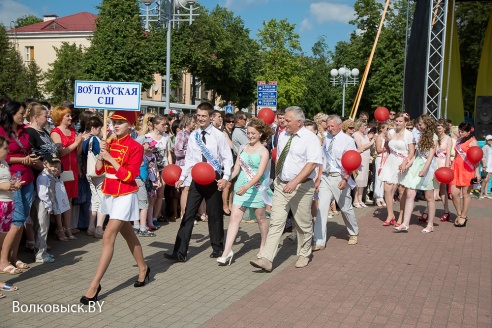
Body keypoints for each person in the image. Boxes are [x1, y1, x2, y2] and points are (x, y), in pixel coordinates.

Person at [80, 111, 149, 305]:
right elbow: (100, 171)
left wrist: (109, 158)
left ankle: (94, 285)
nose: (115, 125)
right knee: (129, 235)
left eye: (120, 122)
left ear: (130, 125)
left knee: (108, 235)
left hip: (126, 194)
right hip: (109, 192)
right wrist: (101, 156)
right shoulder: (108, 142)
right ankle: (143, 268)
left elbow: (129, 175)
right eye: (113, 122)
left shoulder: (136, 146)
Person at [250, 106, 322, 272]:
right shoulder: (283, 135)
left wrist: (295, 181)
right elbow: (279, 158)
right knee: (276, 222)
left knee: (302, 222)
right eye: (283, 120)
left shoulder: (310, 139)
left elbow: (311, 164)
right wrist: (277, 178)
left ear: (299, 121)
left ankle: (304, 253)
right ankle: (267, 259)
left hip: (302, 187)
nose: (284, 123)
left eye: (288, 120)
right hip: (282, 185)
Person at [164, 102, 233, 262]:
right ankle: (180, 252)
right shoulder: (194, 135)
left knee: (215, 214)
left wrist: (225, 177)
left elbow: (227, 158)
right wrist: (182, 177)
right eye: (198, 116)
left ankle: (217, 248)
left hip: (213, 178)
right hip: (196, 177)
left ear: (210, 117)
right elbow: (189, 159)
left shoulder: (218, 135)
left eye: (203, 116)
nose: (200, 119)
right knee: (188, 214)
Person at [217, 118, 273, 265]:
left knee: (260, 218)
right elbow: (236, 169)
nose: (250, 136)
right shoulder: (242, 148)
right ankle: (227, 251)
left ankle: (263, 245)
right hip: (240, 187)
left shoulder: (264, 151)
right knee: (234, 219)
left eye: (253, 133)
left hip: (255, 188)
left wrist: (247, 186)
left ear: (260, 134)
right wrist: (227, 179)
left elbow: (260, 173)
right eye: (248, 133)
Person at [0, 101, 39, 274]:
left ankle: (14, 257)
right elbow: (3, 156)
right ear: (11, 113)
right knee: (15, 221)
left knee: (21, 220)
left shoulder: (24, 131)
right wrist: (21, 160)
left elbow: (26, 150)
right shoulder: (2, 131)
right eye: (21, 113)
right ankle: (3, 260)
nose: (23, 115)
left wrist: (30, 159)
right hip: (10, 179)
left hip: (27, 178)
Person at [313, 115, 359, 251]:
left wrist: (346, 178)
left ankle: (353, 232)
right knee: (321, 208)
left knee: (345, 207)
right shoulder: (326, 138)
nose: (330, 128)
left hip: (340, 177)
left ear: (340, 126)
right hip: (325, 177)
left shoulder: (348, 140)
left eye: (332, 126)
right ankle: (319, 240)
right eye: (328, 126)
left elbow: (353, 160)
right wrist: (318, 177)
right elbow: (322, 158)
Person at [396, 115, 439, 233]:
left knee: (429, 197)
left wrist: (424, 170)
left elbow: (430, 156)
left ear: (427, 124)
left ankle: (430, 224)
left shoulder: (433, 136)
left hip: (427, 167)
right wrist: (407, 165)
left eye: (421, 124)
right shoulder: (417, 136)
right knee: (410, 193)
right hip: (416, 166)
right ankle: (405, 223)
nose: (418, 126)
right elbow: (416, 155)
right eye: (418, 124)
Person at [50, 106, 83, 240]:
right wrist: (76, 143)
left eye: (70, 115)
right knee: (60, 198)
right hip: (62, 168)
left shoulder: (72, 131)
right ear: (60, 117)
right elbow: (61, 152)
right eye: (67, 116)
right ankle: (59, 228)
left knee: (69, 199)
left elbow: (78, 152)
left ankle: (67, 227)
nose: (70, 118)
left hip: (73, 168)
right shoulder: (55, 132)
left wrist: (80, 142)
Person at [379, 113, 415, 226]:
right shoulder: (391, 132)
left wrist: (405, 163)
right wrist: (385, 141)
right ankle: (390, 214)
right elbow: (386, 146)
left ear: (405, 122)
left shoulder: (409, 134)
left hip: (402, 162)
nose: (398, 123)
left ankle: (401, 216)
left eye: (400, 121)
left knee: (401, 190)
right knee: (387, 188)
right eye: (397, 121)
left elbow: (412, 152)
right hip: (391, 161)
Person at [35, 153, 70, 262]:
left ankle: (43, 251)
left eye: (56, 166)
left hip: (48, 205)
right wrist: (49, 206)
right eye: (52, 165)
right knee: (42, 228)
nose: (54, 168)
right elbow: (43, 194)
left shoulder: (50, 176)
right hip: (44, 205)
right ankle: (40, 255)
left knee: (44, 227)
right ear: (45, 164)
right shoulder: (43, 177)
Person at [0, 135, 22, 295]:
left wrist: (13, 184)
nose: (8, 151)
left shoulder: (4, 163)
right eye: (5, 149)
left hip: (8, 204)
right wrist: (4, 185)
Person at [449, 122, 481, 227]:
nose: (460, 133)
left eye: (462, 131)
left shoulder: (473, 142)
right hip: (456, 168)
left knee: (466, 194)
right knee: (454, 193)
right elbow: (457, 155)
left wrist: (477, 172)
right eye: (459, 130)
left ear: (468, 132)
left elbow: (476, 158)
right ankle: (458, 213)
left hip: (467, 169)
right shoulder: (458, 140)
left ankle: (463, 215)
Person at [82, 116, 105, 238]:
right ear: (93, 128)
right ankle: (99, 228)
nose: (100, 131)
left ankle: (91, 226)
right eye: (99, 128)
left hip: (89, 172)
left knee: (94, 199)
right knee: (103, 200)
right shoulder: (95, 140)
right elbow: (101, 154)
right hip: (99, 173)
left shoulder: (85, 140)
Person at [174, 114, 196, 219]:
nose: (194, 124)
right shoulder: (181, 134)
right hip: (183, 165)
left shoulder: (193, 134)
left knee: (190, 189)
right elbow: (178, 151)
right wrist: (191, 152)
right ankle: (184, 214)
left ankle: (189, 213)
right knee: (185, 189)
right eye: (193, 122)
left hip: (192, 165)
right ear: (188, 122)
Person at [352, 119, 374, 208]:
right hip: (360, 158)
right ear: (359, 126)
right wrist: (370, 142)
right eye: (364, 126)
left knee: (364, 179)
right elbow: (360, 146)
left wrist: (370, 141)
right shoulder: (356, 135)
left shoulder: (365, 135)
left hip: (366, 159)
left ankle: (360, 199)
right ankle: (355, 199)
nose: (365, 128)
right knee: (358, 179)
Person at [374, 123, 388, 206]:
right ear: (381, 129)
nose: (387, 130)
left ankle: (381, 196)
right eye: (386, 128)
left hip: (386, 158)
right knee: (378, 177)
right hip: (380, 158)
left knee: (383, 178)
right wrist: (386, 148)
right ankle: (377, 197)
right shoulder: (379, 137)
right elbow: (378, 149)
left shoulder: (386, 138)